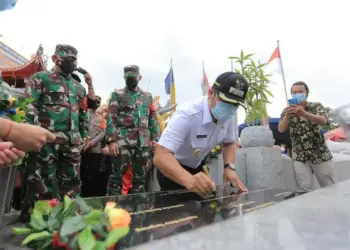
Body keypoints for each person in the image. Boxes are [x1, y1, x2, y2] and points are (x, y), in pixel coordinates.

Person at [153, 72, 248, 198]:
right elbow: (161, 156)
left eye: (235, 105)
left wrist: (229, 167)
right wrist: (189, 180)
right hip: (172, 168)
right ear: (210, 93)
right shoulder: (187, 114)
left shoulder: (228, 116)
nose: (230, 108)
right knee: (175, 212)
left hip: (197, 167)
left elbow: (229, 143)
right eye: (225, 102)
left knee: (204, 211)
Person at [21, 44, 89, 220]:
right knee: (42, 181)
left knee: (72, 182)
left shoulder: (79, 88)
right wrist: (32, 131)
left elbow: (83, 114)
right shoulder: (41, 78)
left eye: (73, 61)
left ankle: (69, 219)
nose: (70, 64)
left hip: (72, 142)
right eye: (66, 60)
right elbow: (29, 105)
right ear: (55, 59)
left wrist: (83, 135)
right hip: (46, 140)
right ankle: (40, 220)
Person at [105, 65, 160, 195]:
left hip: (144, 143)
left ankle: (138, 210)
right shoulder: (117, 95)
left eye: (133, 78)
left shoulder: (148, 96)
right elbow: (111, 118)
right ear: (124, 78)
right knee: (116, 177)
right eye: (128, 78)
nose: (130, 80)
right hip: (123, 142)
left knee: (140, 179)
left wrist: (155, 139)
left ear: (139, 78)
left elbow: (152, 118)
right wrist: (111, 141)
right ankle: (112, 209)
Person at [278, 81, 335, 193]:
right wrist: (287, 116)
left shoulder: (316, 106)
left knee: (330, 188)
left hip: (320, 155)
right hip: (300, 157)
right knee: (305, 191)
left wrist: (304, 113)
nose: (297, 94)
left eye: (300, 92)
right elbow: (281, 129)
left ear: (306, 93)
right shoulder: (286, 111)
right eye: (294, 92)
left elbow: (324, 120)